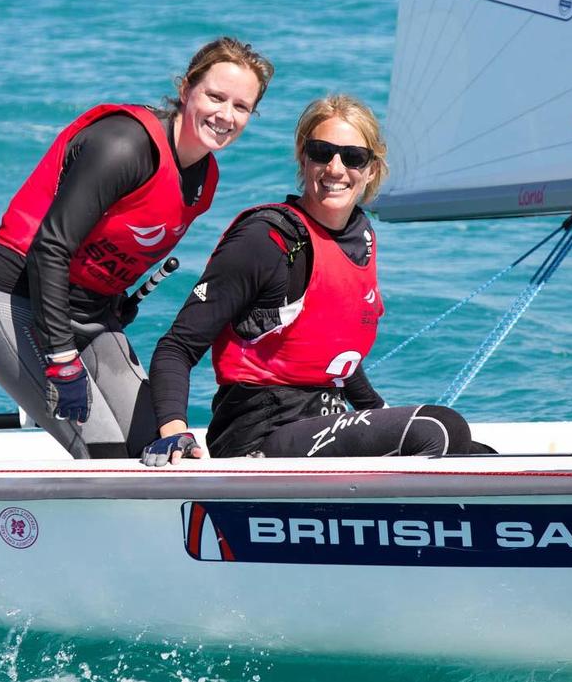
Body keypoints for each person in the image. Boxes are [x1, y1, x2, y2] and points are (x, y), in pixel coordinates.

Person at [0, 37, 274, 460]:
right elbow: (51, 249)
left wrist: (110, 301)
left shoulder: (204, 181)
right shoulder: (123, 147)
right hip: (15, 300)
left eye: (241, 107)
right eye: (215, 96)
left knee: (157, 448)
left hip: (90, 316)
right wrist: (61, 358)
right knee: (104, 453)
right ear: (187, 90)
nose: (225, 115)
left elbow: (109, 248)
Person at [146, 94, 493, 464]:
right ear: (303, 157)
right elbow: (177, 347)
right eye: (322, 152)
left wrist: (378, 412)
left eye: (353, 157)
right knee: (438, 427)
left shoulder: (360, 238)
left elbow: (333, 355)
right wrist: (174, 432)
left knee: (477, 453)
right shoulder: (266, 239)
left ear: (371, 170)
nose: (336, 168)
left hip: (325, 424)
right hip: (259, 436)